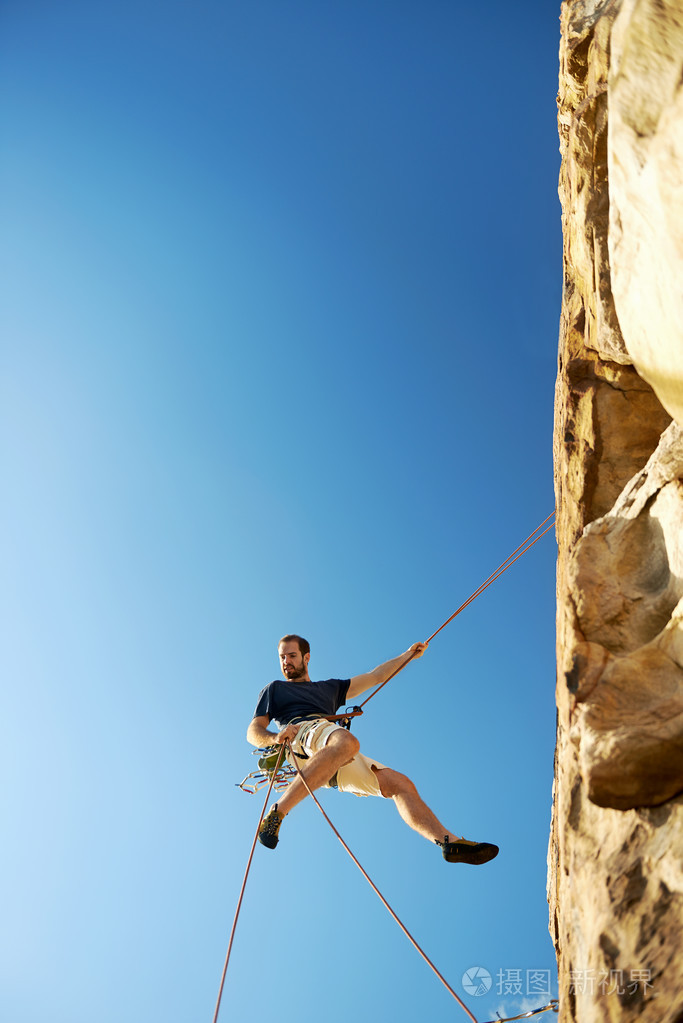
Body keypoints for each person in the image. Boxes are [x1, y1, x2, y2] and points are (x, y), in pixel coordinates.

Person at [246, 634, 499, 865]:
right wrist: (276, 737)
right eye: (282, 657)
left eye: (291, 655)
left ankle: (449, 843)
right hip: (302, 734)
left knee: (400, 784)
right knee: (347, 742)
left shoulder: (330, 688)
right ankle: (277, 814)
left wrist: (408, 655)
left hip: (328, 752)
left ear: (306, 657)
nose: (286, 662)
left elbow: (376, 676)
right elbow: (253, 732)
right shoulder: (275, 689)